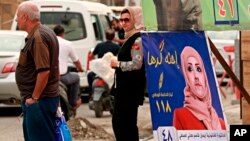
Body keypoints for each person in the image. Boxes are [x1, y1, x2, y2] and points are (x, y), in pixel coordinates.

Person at [15, 1, 60, 141]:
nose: (16, 19)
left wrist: (34, 98)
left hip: (39, 101)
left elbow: (44, 71)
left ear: (24, 17)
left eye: (17, 16)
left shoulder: (38, 37)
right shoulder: (44, 32)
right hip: (43, 99)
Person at [110, 7, 146, 141]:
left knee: (123, 125)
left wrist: (118, 64)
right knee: (123, 125)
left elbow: (137, 64)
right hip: (124, 90)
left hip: (130, 91)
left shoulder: (138, 39)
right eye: (121, 20)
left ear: (135, 20)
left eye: (127, 20)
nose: (123, 23)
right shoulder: (130, 38)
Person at [173, 46, 226, 130]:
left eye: (198, 69)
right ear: (186, 76)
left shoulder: (220, 123)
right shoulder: (181, 115)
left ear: (204, 75)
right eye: (190, 69)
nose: (196, 76)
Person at [53, 24, 83, 112]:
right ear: (63, 33)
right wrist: (80, 69)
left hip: (49, 77)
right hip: (62, 77)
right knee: (76, 78)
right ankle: (72, 103)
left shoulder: (48, 42)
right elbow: (76, 61)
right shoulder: (67, 44)